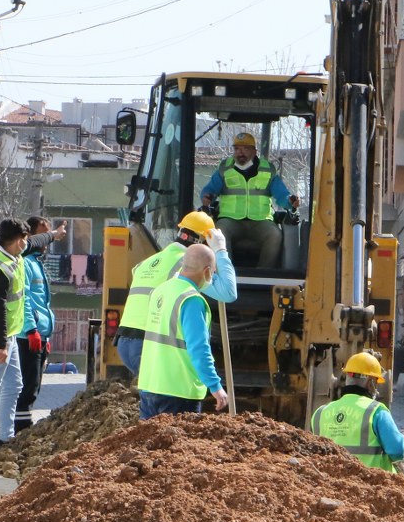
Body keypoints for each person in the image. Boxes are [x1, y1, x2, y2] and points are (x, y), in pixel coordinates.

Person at [115, 211, 236, 381]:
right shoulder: (187, 265)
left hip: (124, 343)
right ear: (203, 242)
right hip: (151, 344)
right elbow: (228, 293)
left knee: (153, 398)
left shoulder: (149, 262)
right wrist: (221, 250)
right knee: (171, 399)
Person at [136, 244, 232, 419]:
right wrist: (215, 386)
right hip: (178, 391)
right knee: (177, 445)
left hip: (149, 386)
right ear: (207, 271)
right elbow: (199, 348)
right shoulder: (191, 300)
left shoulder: (160, 291)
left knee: (146, 445)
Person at [199, 131, 298, 269]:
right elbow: (210, 190)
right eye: (237, 149)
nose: (241, 153)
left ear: (254, 151)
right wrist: (207, 197)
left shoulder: (268, 170)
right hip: (230, 220)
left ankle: (263, 274)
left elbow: (281, 195)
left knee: (275, 234)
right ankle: (226, 272)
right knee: (219, 232)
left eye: (245, 149)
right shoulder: (225, 169)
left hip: (260, 221)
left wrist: (289, 201)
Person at [311, 352, 404, 473]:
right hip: (373, 485)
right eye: (376, 381)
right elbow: (397, 451)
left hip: (331, 486)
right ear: (370, 382)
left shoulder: (320, 413)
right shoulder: (376, 411)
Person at [0, 219, 29, 447]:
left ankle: (6, 438)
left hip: (9, 336)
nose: (27, 244)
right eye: (26, 240)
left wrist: (53, 234)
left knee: (14, 385)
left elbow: (39, 240)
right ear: (19, 241)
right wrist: (1, 344)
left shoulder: (12, 256)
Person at [13, 217, 57, 434]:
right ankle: (20, 429)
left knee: (34, 386)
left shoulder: (36, 263)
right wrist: (32, 330)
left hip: (39, 334)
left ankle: (22, 427)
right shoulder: (26, 264)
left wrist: (45, 336)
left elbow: (42, 303)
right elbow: (26, 299)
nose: (45, 242)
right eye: (43, 235)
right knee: (27, 387)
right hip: (28, 336)